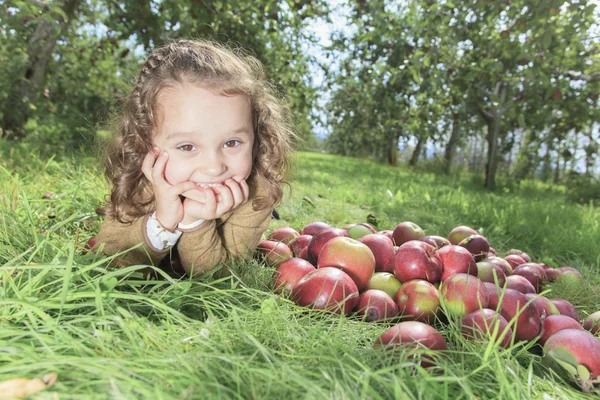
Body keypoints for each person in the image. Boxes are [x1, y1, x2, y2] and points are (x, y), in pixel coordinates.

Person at [92, 39, 294, 277]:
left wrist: (194, 221)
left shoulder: (256, 195)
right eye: (187, 146)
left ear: (256, 136)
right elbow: (107, 262)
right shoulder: (142, 181)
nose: (214, 167)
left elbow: (217, 279)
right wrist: (161, 223)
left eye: (232, 143)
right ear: (145, 143)